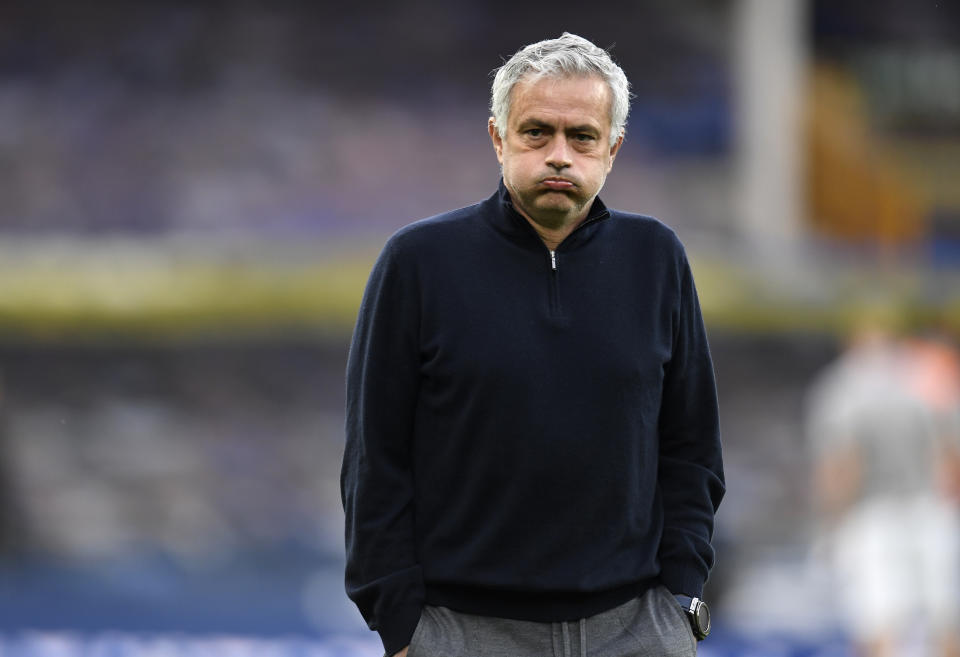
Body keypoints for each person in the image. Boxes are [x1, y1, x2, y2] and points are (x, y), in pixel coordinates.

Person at [341, 33, 725, 657]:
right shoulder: (418, 262)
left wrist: (681, 602)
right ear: (498, 138)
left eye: (582, 138)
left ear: (613, 150)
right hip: (462, 631)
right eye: (536, 133)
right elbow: (373, 459)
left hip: (634, 628)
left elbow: (693, 447)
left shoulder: (656, 258)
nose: (559, 155)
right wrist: (403, 627)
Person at [807, 322, 960, 657]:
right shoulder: (928, 373)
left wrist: (832, 520)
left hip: (871, 514)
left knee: (877, 622)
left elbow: (841, 462)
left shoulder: (844, 384)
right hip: (930, 507)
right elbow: (951, 456)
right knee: (945, 621)